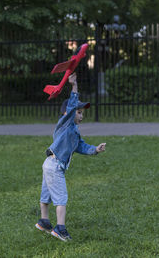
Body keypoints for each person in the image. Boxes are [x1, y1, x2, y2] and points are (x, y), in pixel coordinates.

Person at [35, 73, 106, 242]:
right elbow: (72, 105)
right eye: (78, 112)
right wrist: (74, 86)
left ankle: (44, 221)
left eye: (82, 113)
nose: (81, 116)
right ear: (68, 113)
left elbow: (80, 146)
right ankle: (60, 229)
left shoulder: (74, 131)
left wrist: (95, 149)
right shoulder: (65, 123)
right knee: (61, 198)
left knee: (47, 194)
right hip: (55, 165)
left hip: (49, 163)